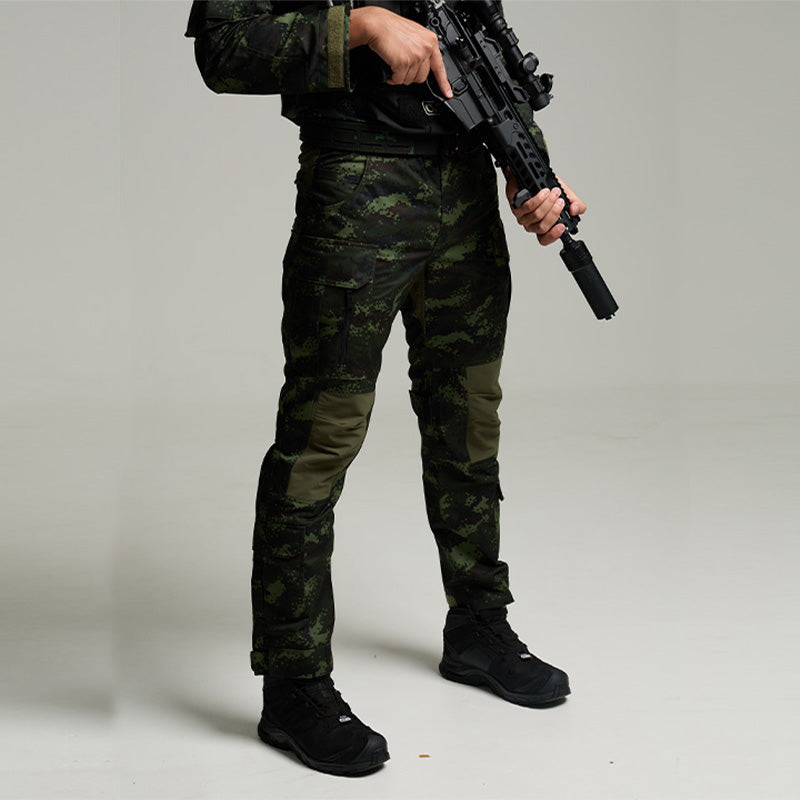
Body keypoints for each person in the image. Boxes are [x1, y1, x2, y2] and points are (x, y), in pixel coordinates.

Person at [185, 0, 586, 776]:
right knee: (320, 442)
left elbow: (485, 56)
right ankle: (295, 685)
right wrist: (360, 26)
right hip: (356, 194)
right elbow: (223, 51)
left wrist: (533, 174)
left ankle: (478, 626)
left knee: (469, 422)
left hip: (465, 198)